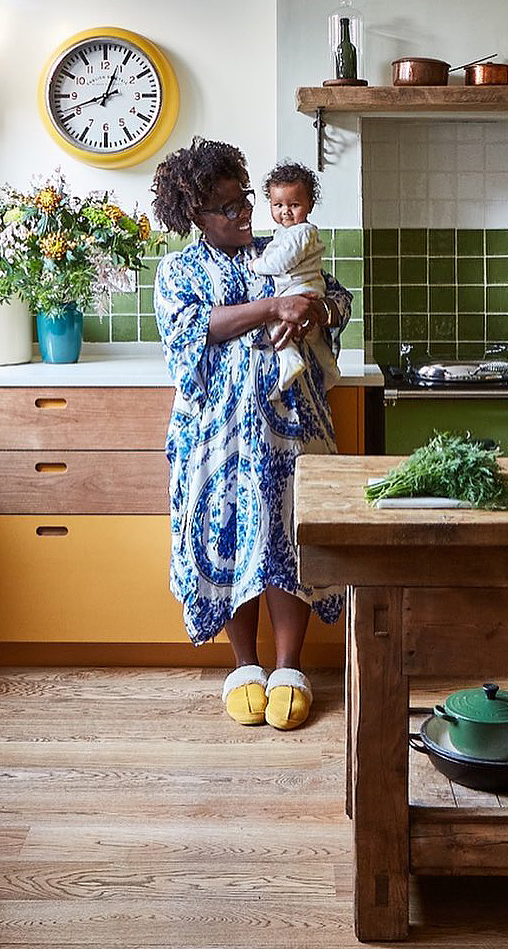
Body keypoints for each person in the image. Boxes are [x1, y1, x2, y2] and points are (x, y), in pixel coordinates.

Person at [151, 137, 352, 731]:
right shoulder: (178, 270)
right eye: (228, 206)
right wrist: (270, 310)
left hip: (293, 434)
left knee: (290, 540)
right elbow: (188, 332)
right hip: (216, 441)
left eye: (244, 199)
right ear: (195, 214)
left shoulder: (282, 250)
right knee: (228, 537)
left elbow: (337, 298)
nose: (244, 212)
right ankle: (245, 666)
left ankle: (290, 666)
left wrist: (314, 310)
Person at [250, 162, 340, 394]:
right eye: (277, 205)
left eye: (294, 204)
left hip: (298, 291)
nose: (285, 211)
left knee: (273, 322)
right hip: (302, 289)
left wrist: (256, 265)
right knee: (316, 340)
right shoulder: (286, 233)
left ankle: (290, 360)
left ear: (309, 205)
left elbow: (281, 263)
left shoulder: (302, 232)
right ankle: (330, 370)